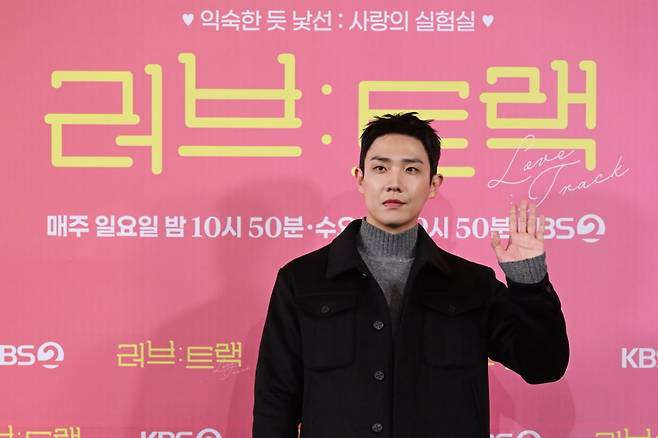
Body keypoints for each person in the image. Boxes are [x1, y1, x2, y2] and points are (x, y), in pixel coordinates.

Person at [252, 112, 569, 438]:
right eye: (380, 168)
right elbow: (275, 400)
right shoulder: (302, 281)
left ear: (434, 184)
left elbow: (543, 365)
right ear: (360, 178)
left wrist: (528, 281)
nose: (395, 182)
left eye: (411, 169)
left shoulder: (472, 285)